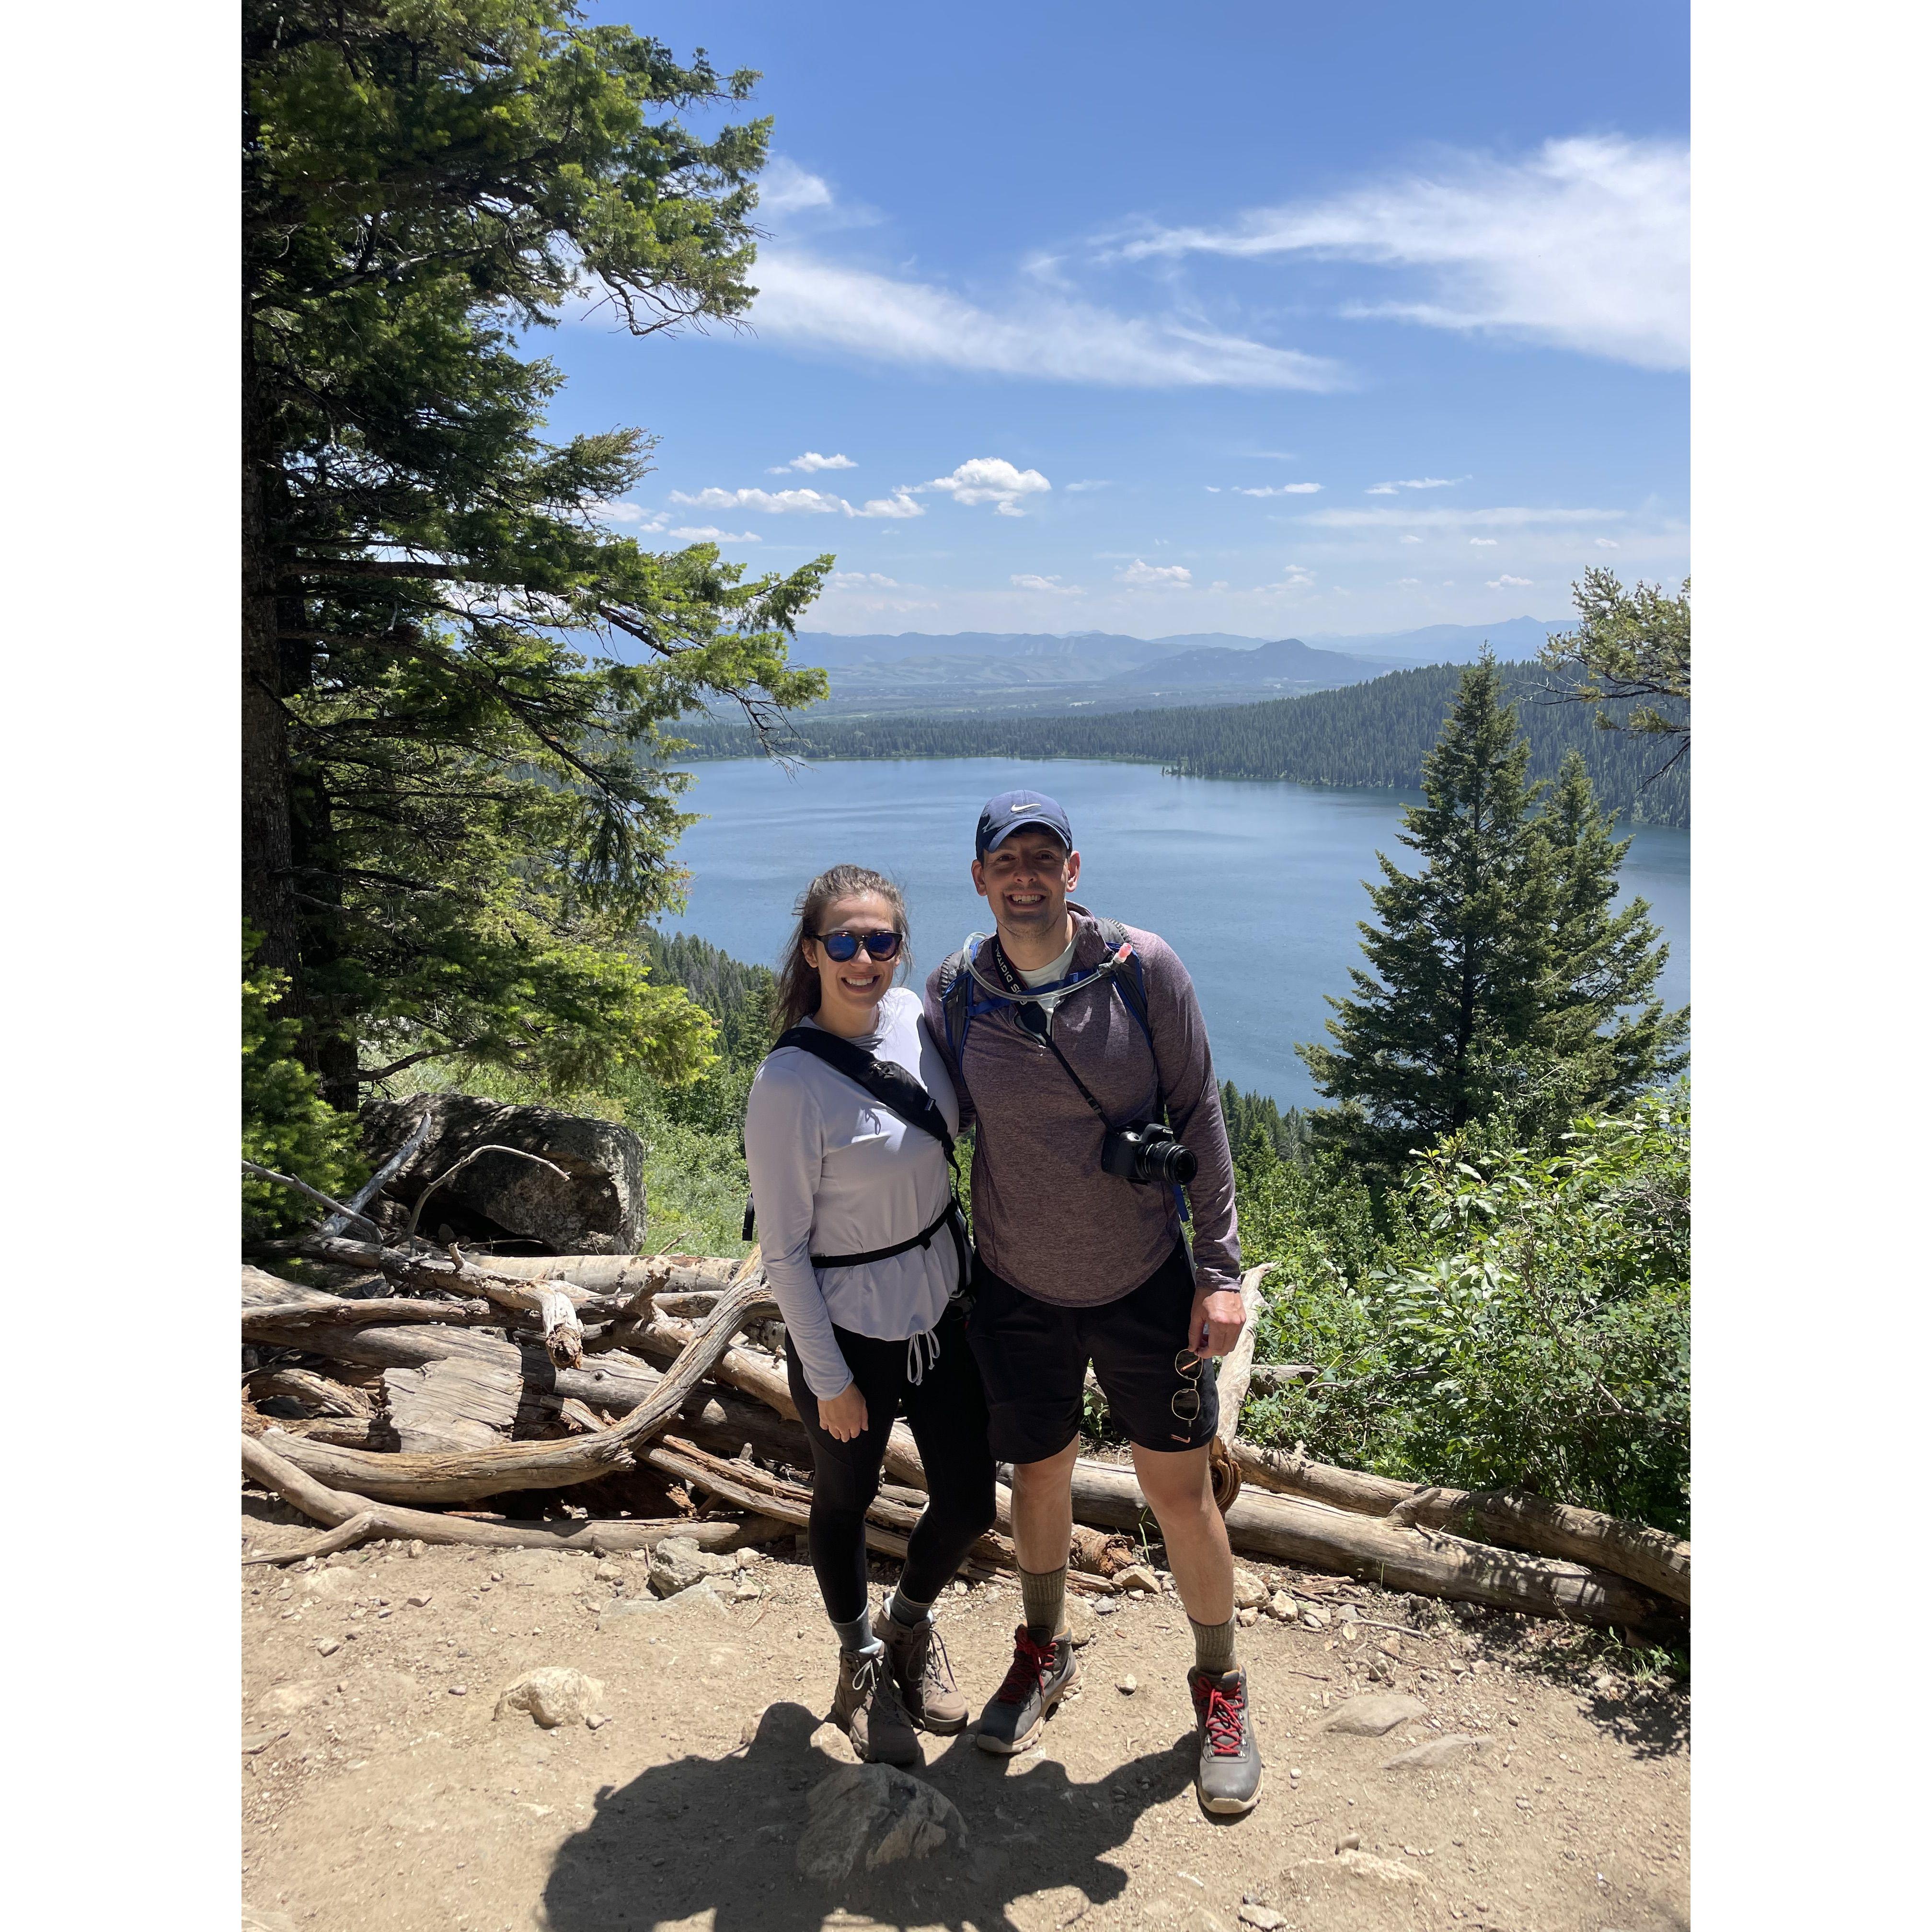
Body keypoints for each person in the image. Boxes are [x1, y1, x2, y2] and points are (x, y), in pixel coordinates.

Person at [924, 791, 1264, 1816]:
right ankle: (1043, 1649)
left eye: (1044, 858)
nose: (1025, 876)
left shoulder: (1141, 969)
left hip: (1144, 1283)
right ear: (980, 880)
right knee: (1039, 1480)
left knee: (1180, 1496)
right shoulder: (957, 988)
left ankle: (1221, 1686)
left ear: (1074, 872)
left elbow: (1198, 1108)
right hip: (1017, 1286)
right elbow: (931, 1121)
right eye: (1006, 861)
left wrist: (1221, 1270)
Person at [743, 863, 997, 1768]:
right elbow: (783, 1252)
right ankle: (858, 1662)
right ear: (812, 952)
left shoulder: (918, 1026)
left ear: (900, 949)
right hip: (848, 1330)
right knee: (844, 1503)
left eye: (880, 940)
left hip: (939, 1311)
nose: (862, 958)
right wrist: (832, 1375)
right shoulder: (788, 1087)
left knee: (969, 1499)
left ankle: (908, 1627)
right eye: (842, 942)